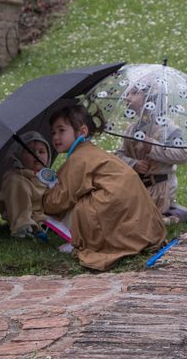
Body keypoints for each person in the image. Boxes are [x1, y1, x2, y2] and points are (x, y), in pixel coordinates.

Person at [42, 104, 166, 271]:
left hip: (115, 205)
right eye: (53, 132)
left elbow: (61, 199)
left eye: (61, 130)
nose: (56, 137)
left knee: (79, 203)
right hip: (139, 217)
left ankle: (83, 240)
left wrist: (45, 195)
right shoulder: (91, 152)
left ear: (82, 131)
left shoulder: (78, 159)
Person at [115, 85, 187, 224]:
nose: (127, 97)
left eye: (135, 93)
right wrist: (133, 163)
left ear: (151, 98)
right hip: (135, 185)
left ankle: (172, 215)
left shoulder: (168, 129)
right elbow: (118, 155)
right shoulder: (131, 129)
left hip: (159, 189)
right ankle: (166, 214)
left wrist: (153, 148)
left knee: (135, 222)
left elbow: (183, 155)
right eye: (128, 93)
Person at [0, 131, 51, 239]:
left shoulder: (48, 177)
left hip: (45, 218)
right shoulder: (15, 177)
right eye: (30, 151)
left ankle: (43, 227)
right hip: (24, 215)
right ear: (19, 155)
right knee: (15, 182)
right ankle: (22, 226)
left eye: (41, 151)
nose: (36, 155)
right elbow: (15, 196)